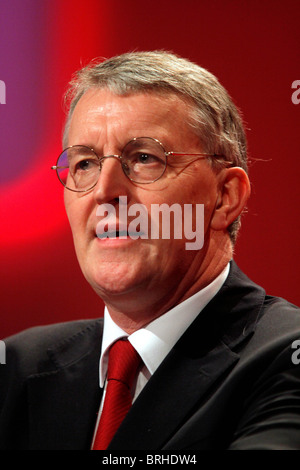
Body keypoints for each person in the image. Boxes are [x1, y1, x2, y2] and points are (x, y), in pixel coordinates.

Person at [1, 51, 299, 451]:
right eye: (85, 163)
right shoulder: (16, 368)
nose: (105, 191)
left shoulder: (285, 358)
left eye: (144, 158)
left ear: (224, 197)